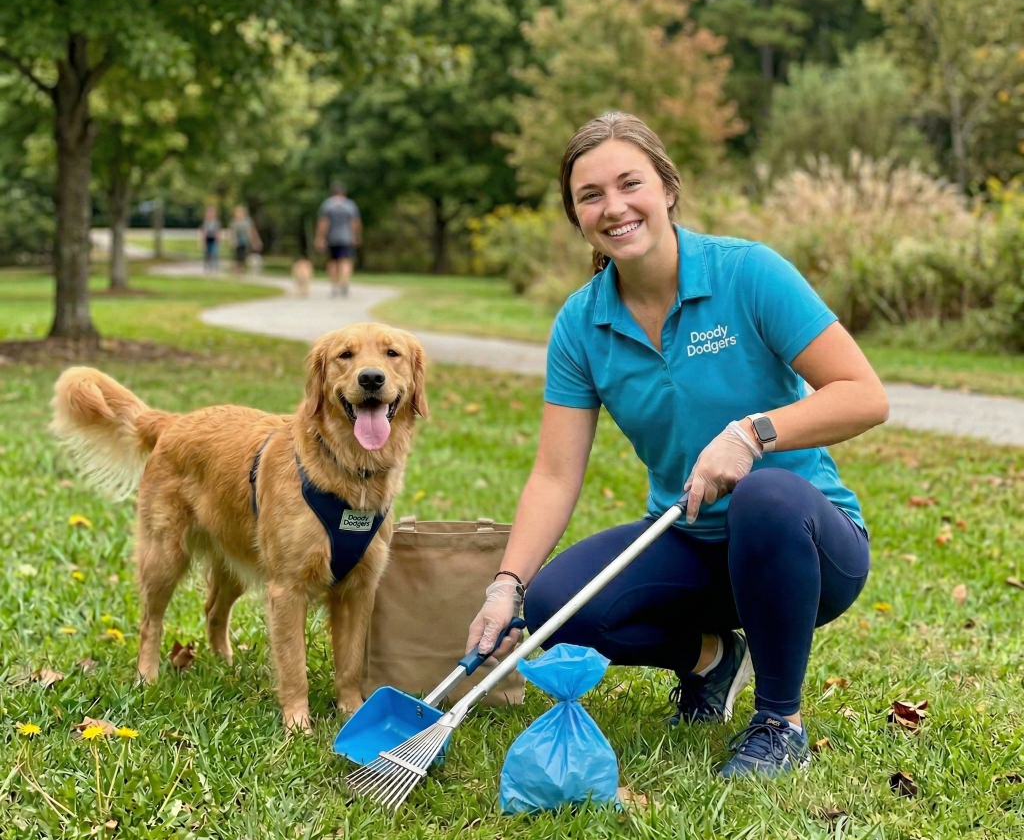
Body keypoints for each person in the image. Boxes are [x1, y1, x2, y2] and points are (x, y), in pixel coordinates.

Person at [465, 112, 889, 779]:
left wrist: (752, 434)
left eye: (629, 183)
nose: (614, 207)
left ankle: (780, 721)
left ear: (666, 187)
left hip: (802, 546)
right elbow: (553, 474)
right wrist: (504, 587)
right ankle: (713, 661)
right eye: (590, 195)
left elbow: (865, 394)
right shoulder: (581, 324)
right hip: (690, 540)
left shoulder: (748, 273)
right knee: (554, 606)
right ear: (576, 216)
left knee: (767, 495)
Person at [315, 181, 362, 297]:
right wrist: (356, 236)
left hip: (332, 237)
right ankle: (345, 283)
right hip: (347, 237)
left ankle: (334, 286)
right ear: (344, 193)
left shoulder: (327, 205)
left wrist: (320, 238)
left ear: (332, 193)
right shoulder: (350, 205)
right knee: (346, 260)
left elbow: (323, 222)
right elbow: (355, 222)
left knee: (333, 261)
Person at [229, 204, 261, 275]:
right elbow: (233, 232)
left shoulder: (247, 222)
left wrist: (254, 241)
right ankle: (237, 270)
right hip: (237, 242)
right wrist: (232, 241)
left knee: (243, 256)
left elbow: (251, 231)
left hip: (245, 242)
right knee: (237, 256)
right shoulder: (234, 222)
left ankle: (241, 270)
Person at [198, 205, 221, 273]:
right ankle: (207, 267)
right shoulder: (205, 222)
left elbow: (217, 231)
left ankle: (215, 267)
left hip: (214, 239)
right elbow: (203, 232)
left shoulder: (216, 222)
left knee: (214, 253)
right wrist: (202, 241)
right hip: (207, 239)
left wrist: (218, 239)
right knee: (207, 253)